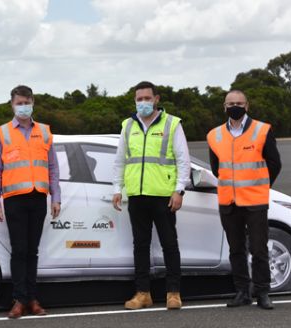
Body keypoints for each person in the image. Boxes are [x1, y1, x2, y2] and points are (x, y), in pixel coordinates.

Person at [112, 81, 191, 310]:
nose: (143, 103)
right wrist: (117, 188)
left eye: (147, 98)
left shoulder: (172, 124)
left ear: (156, 99)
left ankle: (173, 293)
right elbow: (120, 160)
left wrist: (179, 190)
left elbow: (182, 160)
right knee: (140, 245)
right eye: (139, 99)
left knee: (169, 244)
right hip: (137, 195)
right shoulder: (128, 125)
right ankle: (142, 293)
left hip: (163, 196)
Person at [0, 85, 61, 319]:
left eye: (26, 102)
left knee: (33, 251)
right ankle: (19, 299)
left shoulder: (45, 131)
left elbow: (52, 167)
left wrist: (55, 196)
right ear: (12, 104)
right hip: (14, 199)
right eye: (19, 103)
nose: (23, 106)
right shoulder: (2, 133)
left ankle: (32, 299)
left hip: (38, 197)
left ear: (33, 103)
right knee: (19, 250)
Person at [207, 90, 281, 310]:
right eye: (231, 103)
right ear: (224, 107)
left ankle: (263, 292)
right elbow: (216, 168)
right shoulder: (215, 135)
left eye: (239, 103)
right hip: (229, 202)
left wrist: (259, 186)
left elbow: (274, 164)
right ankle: (242, 291)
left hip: (255, 201)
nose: (235, 106)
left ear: (247, 106)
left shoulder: (262, 130)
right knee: (236, 249)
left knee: (259, 249)